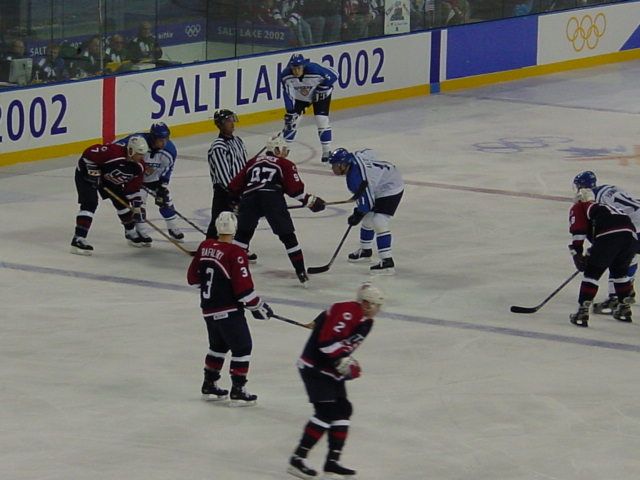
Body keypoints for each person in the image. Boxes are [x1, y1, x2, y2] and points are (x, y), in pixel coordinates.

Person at [287, 282, 385, 479]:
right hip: (315, 367)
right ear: (366, 303)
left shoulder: (365, 319)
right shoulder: (349, 312)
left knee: (343, 409)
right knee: (326, 412)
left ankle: (332, 462)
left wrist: (345, 362)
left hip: (330, 370)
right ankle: (298, 459)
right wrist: (342, 361)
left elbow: (327, 319)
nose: (378, 310)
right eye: (376, 305)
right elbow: (326, 343)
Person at [187, 211, 273, 406]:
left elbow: (193, 279)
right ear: (235, 228)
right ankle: (238, 389)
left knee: (218, 346)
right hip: (228, 311)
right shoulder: (236, 253)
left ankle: (209, 384)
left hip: (208, 310)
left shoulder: (205, 246)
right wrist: (259, 306)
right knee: (242, 347)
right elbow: (244, 292)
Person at [228, 135, 326, 286]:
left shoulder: (252, 161)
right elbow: (295, 190)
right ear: (276, 149)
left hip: (249, 197)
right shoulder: (284, 163)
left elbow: (234, 185)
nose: (285, 153)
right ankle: (301, 272)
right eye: (283, 149)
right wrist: (312, 201)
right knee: (288, 237)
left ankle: (231, 271)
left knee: (242, 236)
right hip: (272, 197)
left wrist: (236, 202)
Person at [327, 147, 404, 274]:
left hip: (391, 186)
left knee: (379, 221)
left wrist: (357, 214)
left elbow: (366, 205)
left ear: (343, 164)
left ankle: (387, 262)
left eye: (334, 165)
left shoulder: (355, 178)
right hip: (383, 180)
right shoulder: (354, 158)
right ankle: (365, 251)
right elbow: (371, 151)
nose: (333, 169)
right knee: (368, 217)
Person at [573, 171, 640, 314]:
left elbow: (606, 227)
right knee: (629, 255)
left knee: (616, 255)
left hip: (634, 227)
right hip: (632, 226)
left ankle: (615, 296)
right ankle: (626, 292)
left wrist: (595, 249)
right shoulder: (612, 188)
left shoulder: (593, 200)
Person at [70, 136, 150, 255]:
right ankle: (78, 239)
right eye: (139, 154)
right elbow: (88, 154)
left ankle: (130, 233)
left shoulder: (139, 167)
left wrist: (137, 206)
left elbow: (133, 189)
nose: (142, 157)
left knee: (123, 203)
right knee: (90, 203)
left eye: (143, 154)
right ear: (131, 151)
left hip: (108, 178)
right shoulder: (113, 152)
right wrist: (93, 173)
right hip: (85, 174)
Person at [116, 122, 183, 243]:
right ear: (153, 138)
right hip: (136, 179)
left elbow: (168, 170)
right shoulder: (139, 141)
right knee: (138, 205)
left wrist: (163, 186)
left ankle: (173, 227)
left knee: (166, 201)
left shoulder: (170, 150)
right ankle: (141, 231)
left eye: (166, 139)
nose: (164, 143)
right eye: (160, 140)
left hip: (155, 180)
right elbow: (116, 147)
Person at [281, 53, 337, 162]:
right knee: (292, 123)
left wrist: (321, 89)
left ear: (303, 66)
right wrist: (290, 112)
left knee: (321, 119)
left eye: (299, 68)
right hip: (301, 98)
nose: (296, 71)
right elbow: (287, 94)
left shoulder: (314, 69)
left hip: (321, 95)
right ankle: (285, 148)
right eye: (294, 68)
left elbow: (334, 75)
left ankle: (326, 150)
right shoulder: (285, 76)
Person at [205, 109, 249, 243]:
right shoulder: (218, 146)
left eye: (232, 120)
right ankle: (208, 246)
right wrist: (234, 193)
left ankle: (238, 247)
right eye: (229, 121)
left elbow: (244, 165)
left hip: (239, 189)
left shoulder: (238, 141)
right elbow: (223, 175)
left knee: (240, 221)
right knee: (218, 221)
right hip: (224, 192)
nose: (232, 124)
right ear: (221, 124)